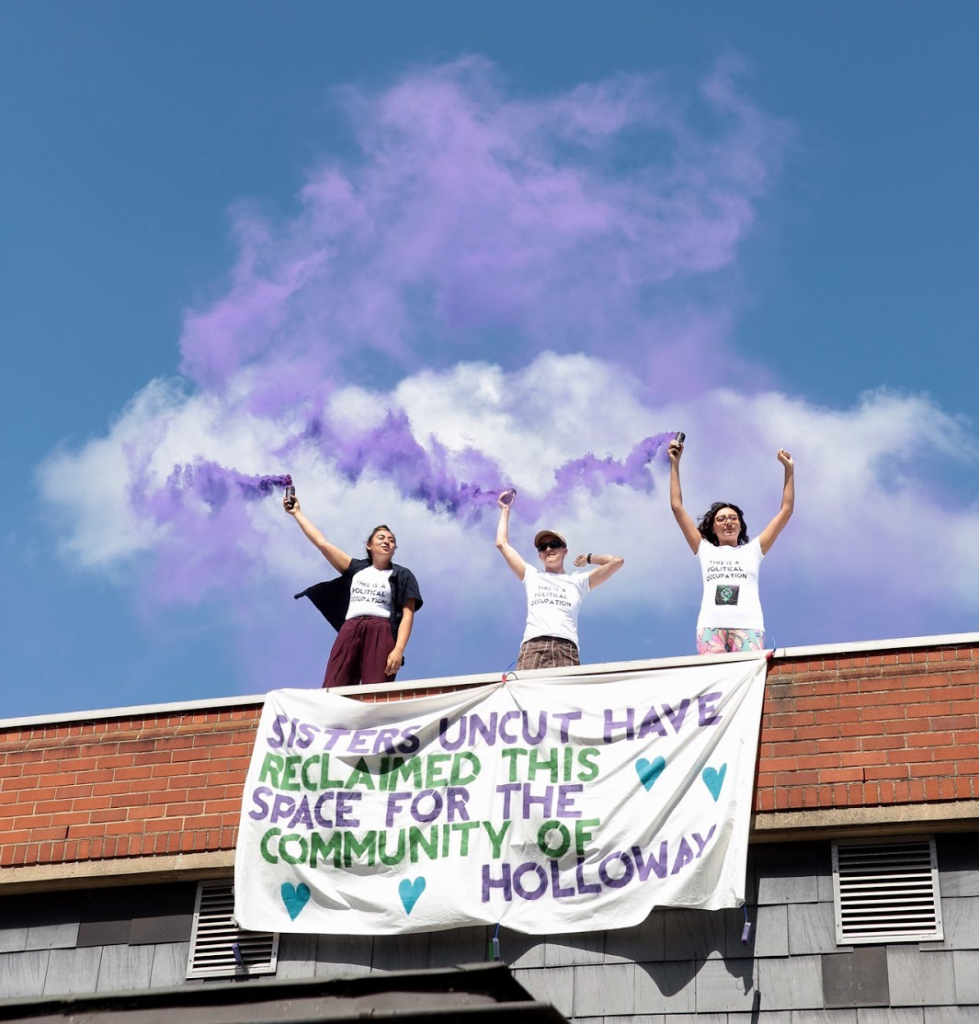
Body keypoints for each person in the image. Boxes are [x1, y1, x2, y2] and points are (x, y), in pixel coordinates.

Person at [668, 437, 794, 654]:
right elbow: (677, 507)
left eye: (733, 518)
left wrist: (789, 469)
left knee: (749, 683)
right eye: (721, 519)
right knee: (715, 684)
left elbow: (786, 511)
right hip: (711, 629)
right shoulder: (705, 549)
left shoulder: (754, 550)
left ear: (740, 525)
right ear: (713, 528)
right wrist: (675, 464)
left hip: (749, 627)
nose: (728, 522)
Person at [286, 492, 422, 687]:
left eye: (391, 540)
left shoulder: (403, 575)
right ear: (369, 545)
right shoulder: (356, 568)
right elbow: (322, 543)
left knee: (377, 689)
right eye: (381, 538)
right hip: (351, 628)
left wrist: (398, 649)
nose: (386, 542)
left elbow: (408, 615)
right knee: (335, 685)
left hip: (381, 630)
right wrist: (297, 513)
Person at [495, 490, 624, 671]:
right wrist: (505, 510)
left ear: (565, 551)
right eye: (543, 547)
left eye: (554, 545)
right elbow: (502, 543)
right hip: (534, 647)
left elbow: (617, 562)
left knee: (565, 698)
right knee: (529, 697)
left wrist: (588, 558)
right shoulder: (532, 576)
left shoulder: (578, 582)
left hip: (566, 648)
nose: (548, 549)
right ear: (539, 554)